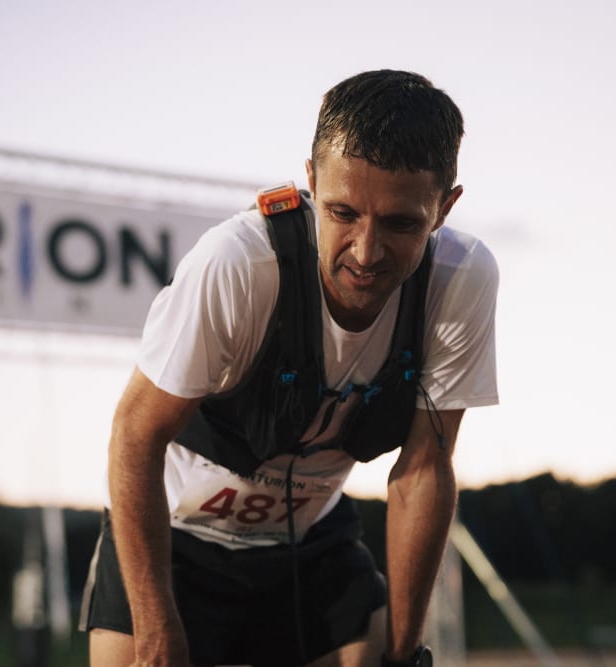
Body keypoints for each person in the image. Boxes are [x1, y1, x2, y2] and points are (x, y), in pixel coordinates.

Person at [79, 69, 499, 667]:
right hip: (176, 538)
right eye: (343, 212)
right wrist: (154, 629)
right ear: (311, 182)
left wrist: (405, 655)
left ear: (444, 209)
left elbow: (424, 469)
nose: (366, 252)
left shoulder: (459, 279)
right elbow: (134, 435)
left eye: (401, 223)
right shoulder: (240, 264)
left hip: (310, 541)